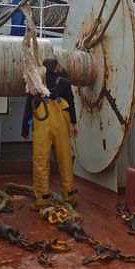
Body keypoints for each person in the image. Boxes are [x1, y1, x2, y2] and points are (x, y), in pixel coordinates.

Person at [22, 58, 79, 208]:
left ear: (44, 69)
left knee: (41, 160)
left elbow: (28, 106)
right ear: (57, 67)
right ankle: (70, 196)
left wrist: (24, 129)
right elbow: (71, 104)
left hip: (43, 123)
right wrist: (74, 123)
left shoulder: (36, 84)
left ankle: (42, 199)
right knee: (65, 158)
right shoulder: (65, 83)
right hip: (61, 124)